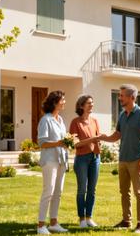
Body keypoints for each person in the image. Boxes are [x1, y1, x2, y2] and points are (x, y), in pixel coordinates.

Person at [100, 84, 140, 234]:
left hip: (136, 159)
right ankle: (126, 220)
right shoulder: (123, 115)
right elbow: (117, 135)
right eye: (120, 95)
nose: (120, 98)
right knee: (124, 192)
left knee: (139, 193)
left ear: (132, 97)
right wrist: (105, 138)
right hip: (123, 159)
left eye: (122, 95)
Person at [36, 91, 70, 234]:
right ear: (55, 102)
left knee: (58, 192)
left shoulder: (60, 120)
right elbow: (42, 142)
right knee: (48, 191)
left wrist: (68, 143)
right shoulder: (46, 120)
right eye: (62, 100)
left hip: (61, 159)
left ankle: (53, 223)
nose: (64, 102)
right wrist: (59, 142)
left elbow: (63, 140)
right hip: (50, 160)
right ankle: (40, 225)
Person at [69, 95, 104, 228]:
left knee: (92, 190)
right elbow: (75, 144)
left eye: (92, 102)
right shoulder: (75, 122)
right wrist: (92, 139)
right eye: (89, 103)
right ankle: (81, 219)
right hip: (82, 159)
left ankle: (89, 217)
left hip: (95, 158)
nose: (92, 105)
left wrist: (98, 141)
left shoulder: (95, 121)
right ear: (81, 106)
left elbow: (97, 138)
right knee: (81, 190)